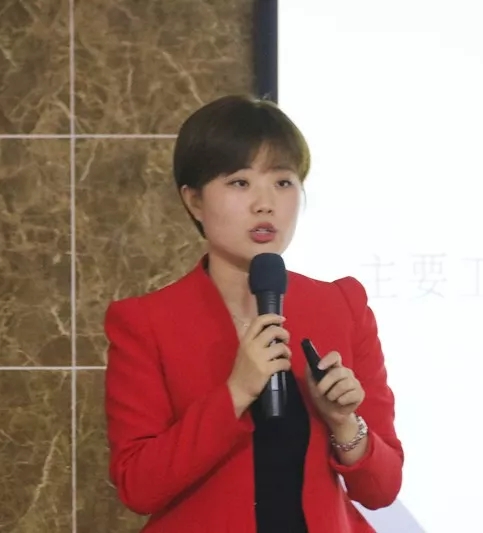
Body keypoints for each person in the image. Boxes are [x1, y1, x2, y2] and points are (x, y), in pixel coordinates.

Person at [103, 94, 404, 533]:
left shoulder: (341, 305)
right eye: (240, 182)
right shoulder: (145, 323)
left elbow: (382, 489)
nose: (265, 203)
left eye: (283, 182)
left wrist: (344, 423)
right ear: (194, 201)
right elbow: (138, 486)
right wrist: (237, 391)